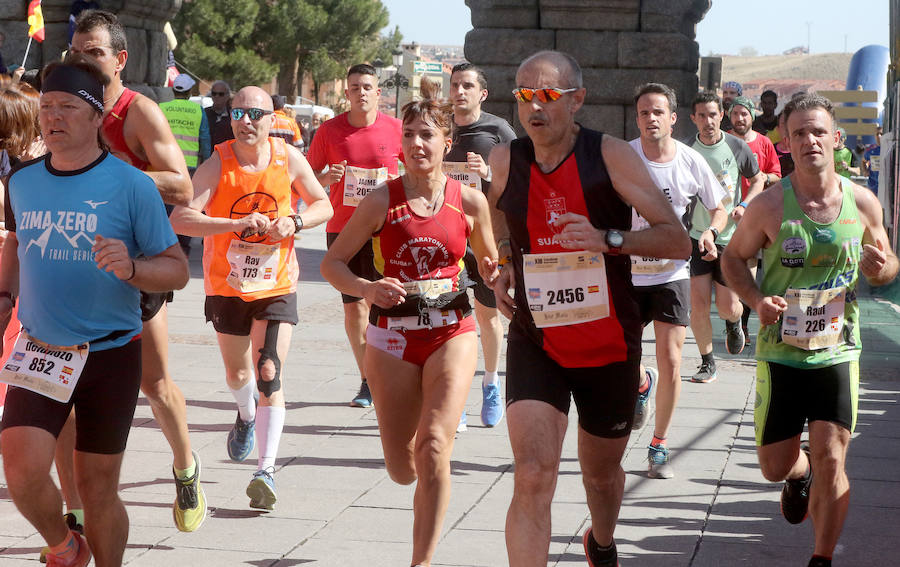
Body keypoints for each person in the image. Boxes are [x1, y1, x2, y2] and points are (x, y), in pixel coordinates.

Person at [489, 50, 690, 567]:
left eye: (549, 95)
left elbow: (677, 241)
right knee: (533, 473)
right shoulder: (506, 159)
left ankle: (600, 541)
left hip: (607, 342)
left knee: (600, 477)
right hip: (539, 336)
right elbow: (494, 220)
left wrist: (609, 238)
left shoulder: (612, 157)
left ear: (577, 100)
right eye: (525, 94)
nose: (536, 105)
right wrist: (505, 264)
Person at [0, 60, 189, 567]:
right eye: (46, 108)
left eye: (66, 107)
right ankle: (66, 545)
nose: (52, 118)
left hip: (109, 354)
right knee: (20, 469)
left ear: (97, 117)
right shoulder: (21, 182)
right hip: (40, 349)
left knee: (96, 488)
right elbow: (16, 243)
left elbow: (176, 270)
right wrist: (2, 298)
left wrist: (131, 269)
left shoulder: (131, 187)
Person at [320, 77, 498, 567]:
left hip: (452, 330)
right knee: (403, 468)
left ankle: (421, 560)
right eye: (410, 135)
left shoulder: (471, 201)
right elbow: (332, 264)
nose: (417, 144)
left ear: (446, 141)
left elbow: (489, 259)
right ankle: (419, 461)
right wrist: (367, 289)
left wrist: (494, 272)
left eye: (427, 135)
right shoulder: (382, 200)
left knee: (437, 446)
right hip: (393, 336)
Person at [722, 93, 898, 567]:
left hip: (838, 350)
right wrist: (756, 300)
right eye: (798, 132)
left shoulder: (861, 202)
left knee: (833, 456)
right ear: (785, 143)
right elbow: (732, 258)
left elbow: (887, 266)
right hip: (781, 352)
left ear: (835, 138)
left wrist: (881, 267)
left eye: (818, 131)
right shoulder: (769, 206)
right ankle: (796, 475)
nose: (809, 140)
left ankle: (821, 558)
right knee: (773, 466)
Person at [61, 8, 203, 534]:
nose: (84, 62)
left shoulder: (137, 111)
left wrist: (114, 173)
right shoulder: (65, 109)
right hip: (71, 265)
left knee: (156, 383)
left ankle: (186, 468)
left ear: (120, 60)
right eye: (77, 53)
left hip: (136, 268)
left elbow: (182, 185)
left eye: (94, 53)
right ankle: (75, 514)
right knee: (62, 389)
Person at [170, 86, 332, 510]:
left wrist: (294, 222)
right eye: (240, 112)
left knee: (268, 370)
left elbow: (323, 204)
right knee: (239, 374)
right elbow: (183, 217)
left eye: (256, 113)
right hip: (228, 286)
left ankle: (267, 469)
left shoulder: (287, 157)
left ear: (271, 118)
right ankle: (244, 415)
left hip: (277, 283)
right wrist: (232, 225)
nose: (247, 121)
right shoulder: (218, 161)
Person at [629, 82, 728, 479]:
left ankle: (659, 445)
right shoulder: (623, 157)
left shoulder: (690, 160)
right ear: (636, 119)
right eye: (643, 112)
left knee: (670, 360)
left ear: (672, 118)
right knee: (624, 360)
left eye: (657, 112)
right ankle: (640, 385)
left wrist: (710, 233)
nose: (650, 118)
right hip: (628, 272)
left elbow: (718, 207)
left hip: (673, 272)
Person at [307, 63, 403, 408]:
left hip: (386, 232)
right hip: (343, 231)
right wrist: (327, 180)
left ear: (378, 92)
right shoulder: (328, 132)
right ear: (346, 93)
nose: (361, 92)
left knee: (386, 306)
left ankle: (390, 374)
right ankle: (367, 380)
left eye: (367, 86)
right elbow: (306, 183)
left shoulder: (397, 129)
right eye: (354, 87)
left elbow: (420, 173)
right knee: (355, 312)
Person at [444, 62, 516, 430]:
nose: (459, 91)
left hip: (484, 236)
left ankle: (490, 381)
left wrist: (486, 172)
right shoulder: (440, 127)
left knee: (487, 315)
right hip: (446, 237)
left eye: (467, 86)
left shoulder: (498, 129)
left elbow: (519, 176)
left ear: (481, 93)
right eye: (455, 84)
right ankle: (455, 399)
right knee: (453, 319)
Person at [687, 91, 766, 382]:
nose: (708, 121)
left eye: (713, 114)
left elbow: (758, 179)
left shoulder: (737, 146)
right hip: (694, 235)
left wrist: (745, 204)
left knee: (727, 306)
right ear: (693, 118)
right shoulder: (686, 150)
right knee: (697, 303)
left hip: (729, 237)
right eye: (702, 115)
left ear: (722, 115)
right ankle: (707, 362)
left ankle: (734, 323)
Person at [728, 95, 782, 347]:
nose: (739, 118)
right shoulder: (721, 140)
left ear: (752, 116)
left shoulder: (763, 143)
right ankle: (733, 317)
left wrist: (760, 177)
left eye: (744, 114)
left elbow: (776, 175)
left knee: (747, 270)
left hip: (752, 213)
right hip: (723, 214)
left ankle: (743, 324)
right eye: (735, 113)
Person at [160, 74, 211, 175]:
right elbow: (205, 138)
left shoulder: (162, 107)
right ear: (189, 92)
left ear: (173, 91)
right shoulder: (198, 110)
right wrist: (207, 161)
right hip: (189, 164)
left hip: (166, 161)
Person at [205, 80, 235, 147]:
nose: (217, 96)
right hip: (208, 155)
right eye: (214, 93)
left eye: (221, 94)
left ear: (227, 96)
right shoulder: (204, 114)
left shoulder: (234, 116)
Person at [862, 125, 882, 194]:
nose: (879, 136)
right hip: (873, 186)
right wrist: (865, 170)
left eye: (881, 134)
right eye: (877, 134)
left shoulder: (889, 149)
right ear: (875, 136)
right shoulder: (871, 150)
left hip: (885, 185)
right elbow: (863, 161)